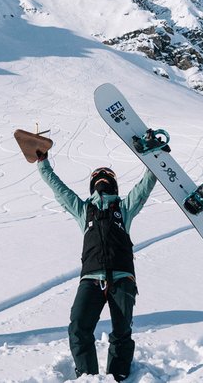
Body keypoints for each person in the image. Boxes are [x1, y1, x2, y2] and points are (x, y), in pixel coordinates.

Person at [36, 150, 157, 381]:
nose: (102, 178)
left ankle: (119, 376)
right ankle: (87, 376)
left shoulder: (124, 208)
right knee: (78, 328)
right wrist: (43, 164)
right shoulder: (84, 210)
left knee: (122, 332)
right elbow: (59, 190)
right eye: (98, 177)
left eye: (107, 176)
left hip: (122, 279)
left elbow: (145, 186)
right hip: (90, 279)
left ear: (114, 185)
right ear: (93, 185)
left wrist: (154, 159)